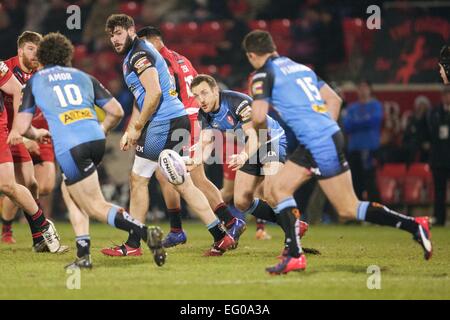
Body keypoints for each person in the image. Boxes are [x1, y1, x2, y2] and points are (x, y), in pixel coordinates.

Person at [242, 30, 433, 275]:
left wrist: (260, 132)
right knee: (276, 189)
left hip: (318, 141)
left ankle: (415, 226)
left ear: (252, 55)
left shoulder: (262, 74)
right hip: (324, 137)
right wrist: (324, 128)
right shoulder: (300, 68)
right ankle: (295, 254)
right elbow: (334, 99)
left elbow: (258, 116)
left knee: (346, 208)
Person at [15, 32, 166, 269]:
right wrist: (102, 129)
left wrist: (38, 134)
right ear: (67, 55)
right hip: (95, 140)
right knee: (71, 192)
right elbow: (116, 111)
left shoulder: (37, 80)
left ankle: (145, 232)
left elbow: (23, 127)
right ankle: (83, 255)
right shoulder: (83, 76)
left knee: (94, 205)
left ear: (43, 57)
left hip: (70, 146)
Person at [102, 26, 245, 254]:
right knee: (179, 176)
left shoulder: (154, 59)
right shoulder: (181, 58)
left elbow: (152, 95)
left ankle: (220, 224)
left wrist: (136, 128)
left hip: (179, 120)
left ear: (152, 42)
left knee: (181, 177)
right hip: (190, 118)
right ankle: (219, 225)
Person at [188, 74, 308, 248]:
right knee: (242, 201)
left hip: (269, 140)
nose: (201, 100)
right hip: (252, 146)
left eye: (204, 93)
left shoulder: (237, 102)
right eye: (196, 96)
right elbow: (206, 142)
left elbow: (254, 135)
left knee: (271, 193)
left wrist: (243, 156)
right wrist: (195, 161)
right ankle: (294, 225)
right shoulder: (204, 115)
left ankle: (292, 242)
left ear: (215, 90)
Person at [1, 31, 57, 246]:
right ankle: (12, 229)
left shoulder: (41, 75)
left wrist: (32, 132)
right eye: (31, 49)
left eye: (38, 50)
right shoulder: (7, 68)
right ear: (20, 50)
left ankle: (38, 236)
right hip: (11, 132)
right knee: (11, 185)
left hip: (18, 132)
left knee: (33, 185)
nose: (35, 54)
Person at [342, 80, 382, 201]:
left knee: (371, 182)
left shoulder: (376, 105)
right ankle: (357, 213)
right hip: (354, 148)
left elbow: (374, 122)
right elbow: (347, 126)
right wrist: (364, 122)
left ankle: (377, 213)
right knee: (355, 182)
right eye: (360, 88)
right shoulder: (352, 107)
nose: (363, 90)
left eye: (365, 87)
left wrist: (356, 124)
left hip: (370, 149)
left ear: (370, 90)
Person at [424, 86, 450, 226]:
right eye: (445, 94)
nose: (447, 97)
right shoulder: (435, 112)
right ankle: (439, 219)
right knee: (439, 191)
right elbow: (431, 133)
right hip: (439, 158)